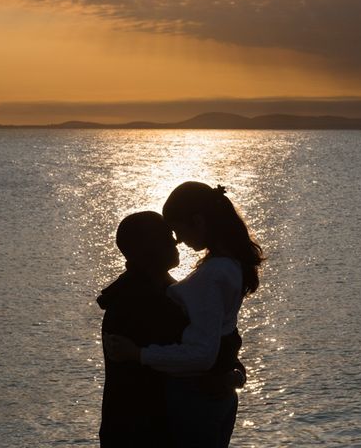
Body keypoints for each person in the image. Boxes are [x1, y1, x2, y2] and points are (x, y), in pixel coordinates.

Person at [105, 182, 264, 448]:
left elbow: (204, 346)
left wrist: (228, 368)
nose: (176, 240)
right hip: (145, 429)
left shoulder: (203, 279)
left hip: (193, 407)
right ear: (145, 251)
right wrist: (226, 370)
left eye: (176, 231)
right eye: (167, 236)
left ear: (198, 222)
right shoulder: (132, 303)